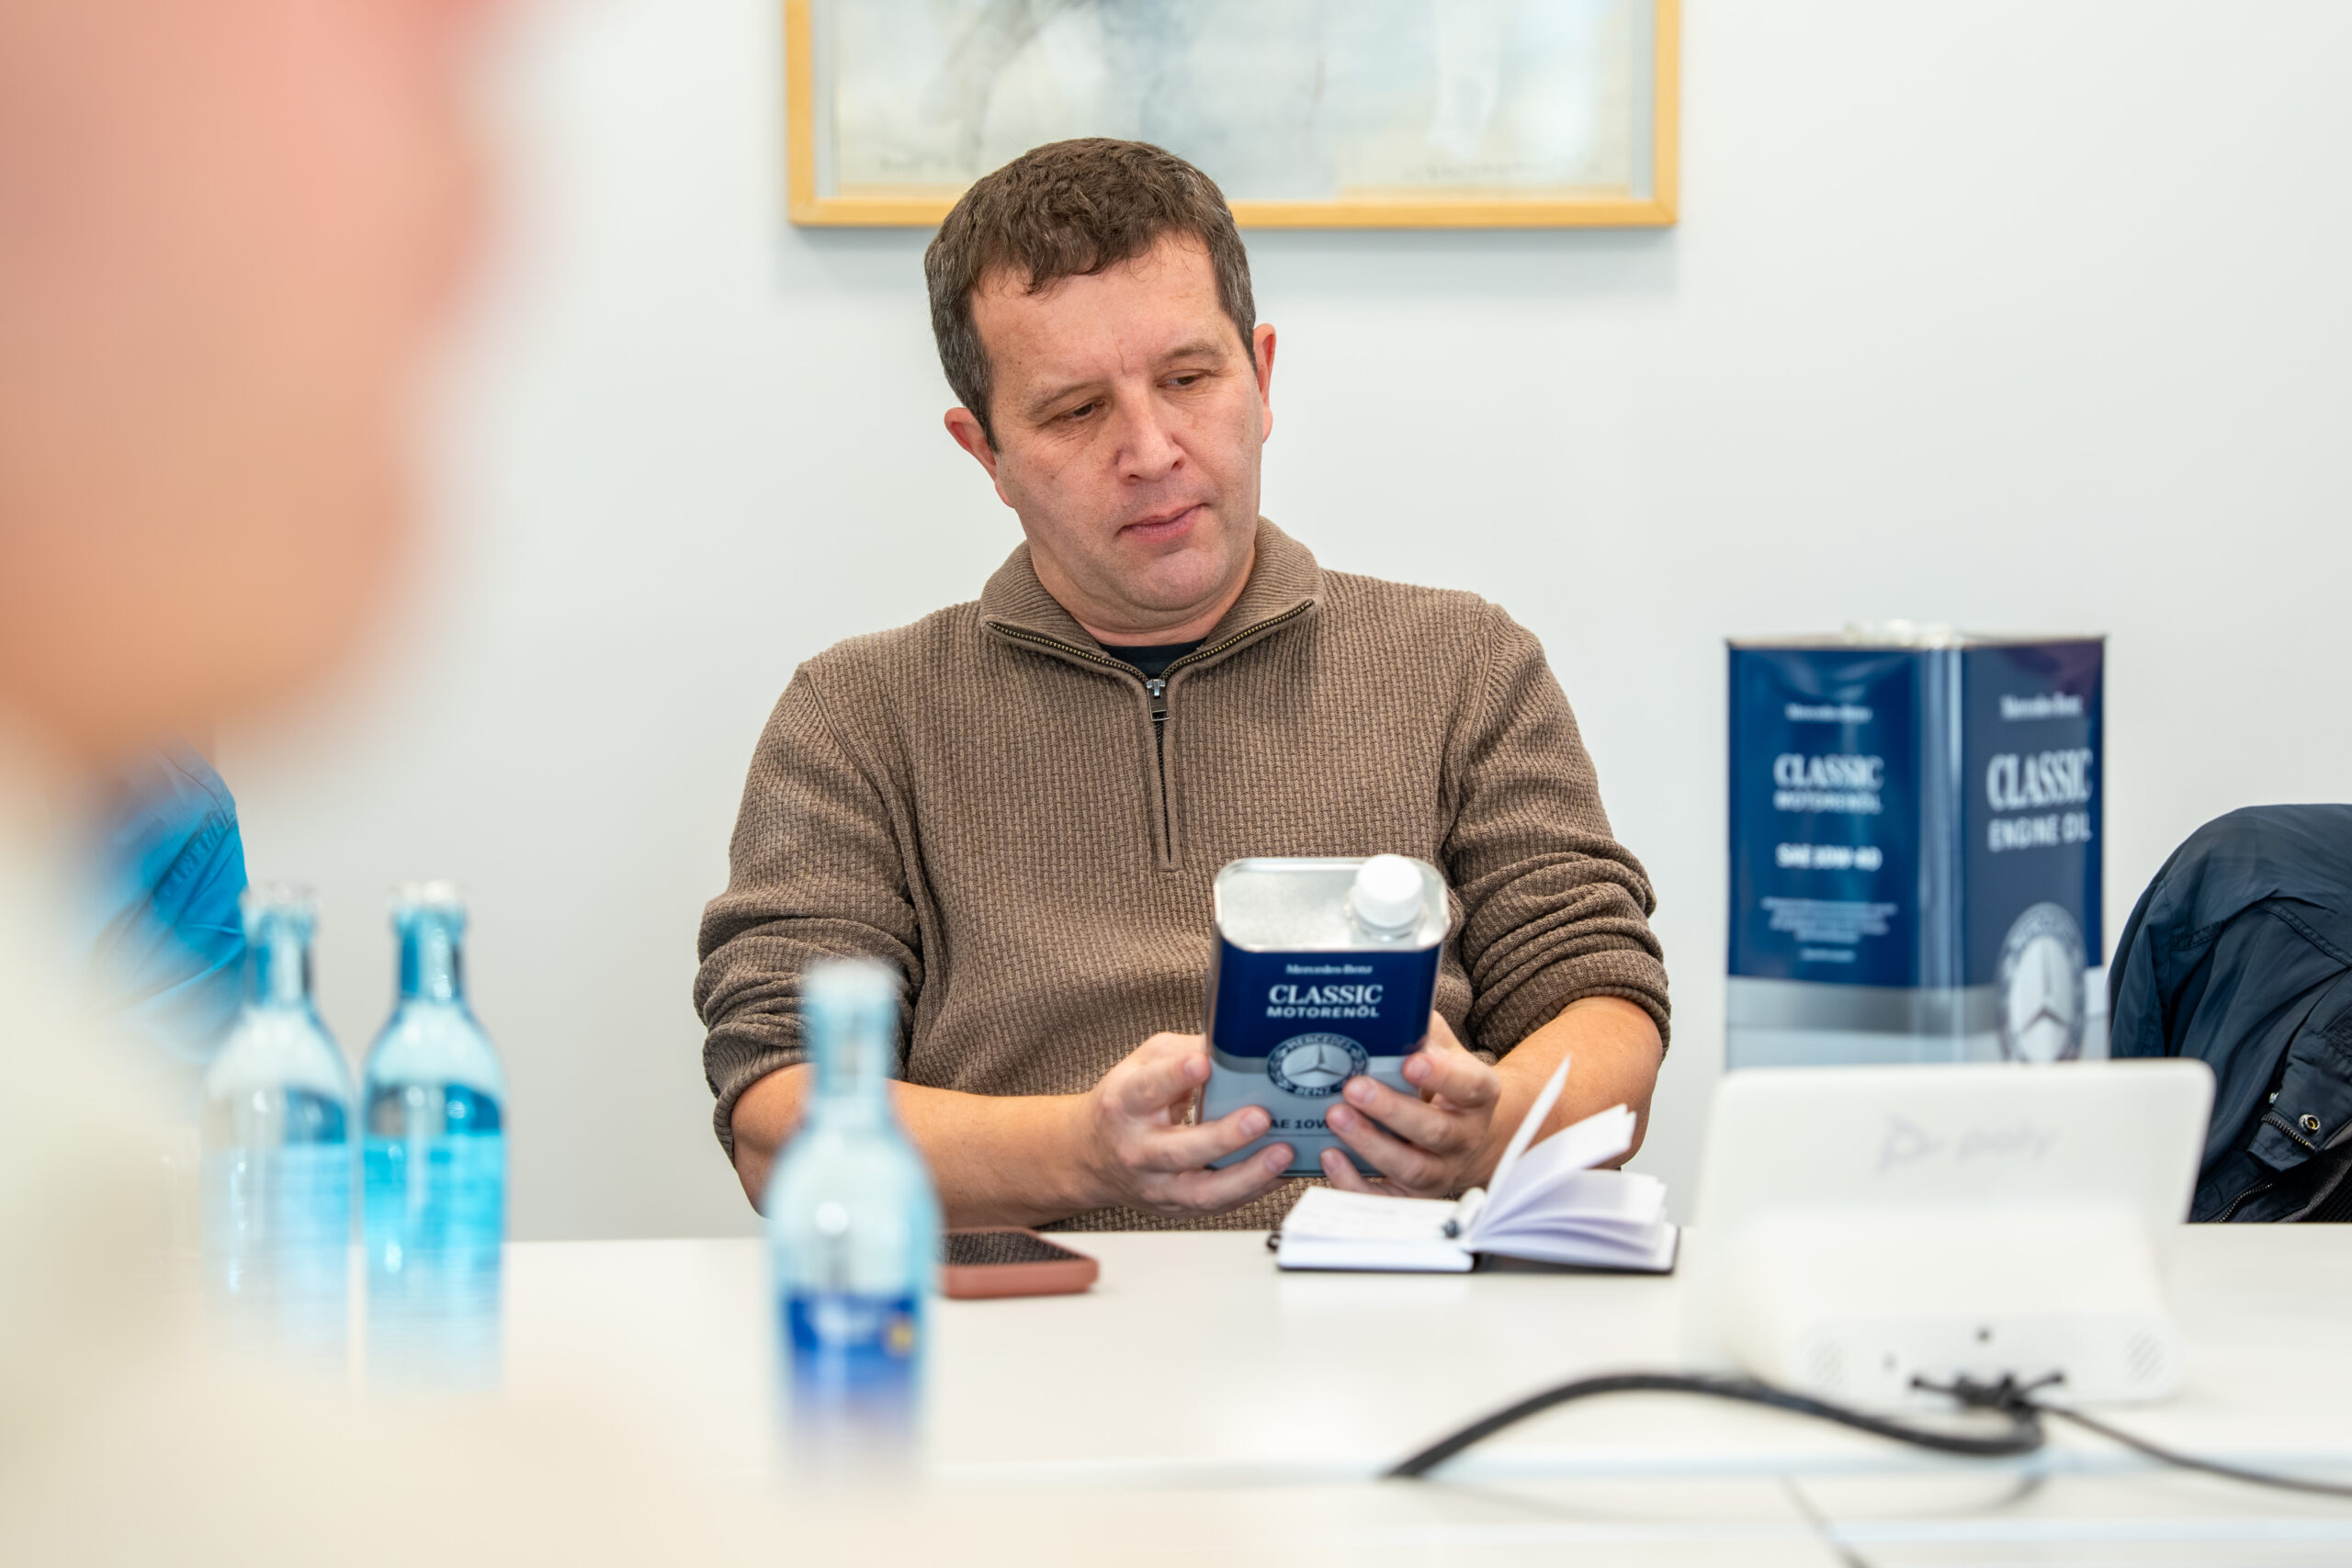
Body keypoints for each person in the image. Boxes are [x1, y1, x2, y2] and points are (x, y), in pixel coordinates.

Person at [698, 139, 1671, 1232]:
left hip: (1393, 1300)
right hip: (1027, 1314)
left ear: (1261, 378)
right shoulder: (857, 716)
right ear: (986, 453)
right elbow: (777, 1118)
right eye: (1074, 411)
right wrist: (1079, 1157)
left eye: (1188, 380)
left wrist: (1488, 1131)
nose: (1151, 450)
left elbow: (1605, 1003)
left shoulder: (1463, 663)